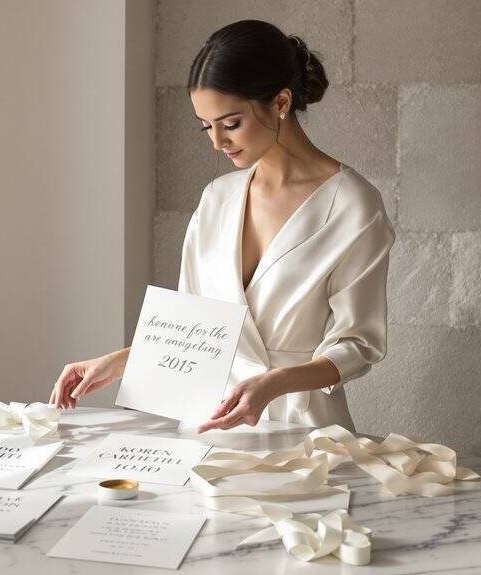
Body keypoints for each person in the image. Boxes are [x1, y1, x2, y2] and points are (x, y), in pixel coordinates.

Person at [48, 20, 395, 434]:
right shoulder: (217, 198)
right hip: (210, 423)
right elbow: (194, 330)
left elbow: (359, 345)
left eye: (230, 124)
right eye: (206, 126)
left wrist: (274, 383)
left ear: (281, 101)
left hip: (303, 430)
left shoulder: (354, 205)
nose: (217, 142)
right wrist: (120, 361)